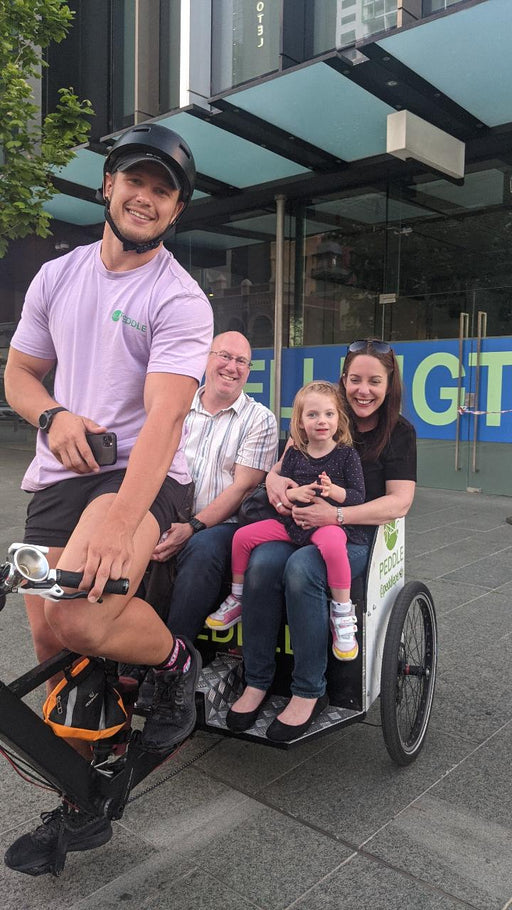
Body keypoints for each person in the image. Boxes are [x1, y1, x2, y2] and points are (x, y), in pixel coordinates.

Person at [3, 123, 214, 876]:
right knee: (53, 646)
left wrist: (123, 517)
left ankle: (178, 664)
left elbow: (166, 418)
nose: (145, 198)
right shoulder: (56, 277)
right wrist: (52, 417)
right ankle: (81, 793)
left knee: (82, 616)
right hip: (60, 472)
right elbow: (19, 374)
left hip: (143, 476)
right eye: (135, 181)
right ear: (108, 186)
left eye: (163, 190)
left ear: (177, 210)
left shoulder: (180, 298)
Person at [226, 339, 416, 743]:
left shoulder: (399, 433)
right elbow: (278, 471)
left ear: (389, 385)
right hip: (299, 525)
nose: (363, 390)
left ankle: (309, 690)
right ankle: (257, 680)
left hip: (354, 536)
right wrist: (278, 486)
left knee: (302, 569)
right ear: (343, 380)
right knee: (261, 563)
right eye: (355, 379)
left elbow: (399, 502)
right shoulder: (320, 412)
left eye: (374, 381)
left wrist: (336, 515)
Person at [129, 331, 278, 704]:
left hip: (225, 528)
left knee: (199, 549)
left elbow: (242, 488)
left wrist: (192, 526)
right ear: (206, 359)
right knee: (130, 538)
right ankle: (125, 652)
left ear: (249, 370)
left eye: (241, 361)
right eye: (224, 356)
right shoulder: (175, 408)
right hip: (166, 511)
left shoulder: (260, 419)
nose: (232, 367)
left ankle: (170, 662)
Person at [207, 381, 369, 662]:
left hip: (326, 524)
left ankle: (342, 612)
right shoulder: (295, 454)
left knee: (334, 546)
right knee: (242, 537)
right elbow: (284, 489)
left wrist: (333, 492)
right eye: (313, 415)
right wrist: (295, 493)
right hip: (291, 523)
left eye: (329, 414)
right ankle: (238, 597)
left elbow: (357, 496)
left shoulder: (347, 455)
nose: (322, 421)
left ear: (339, 419)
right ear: (301, 422)